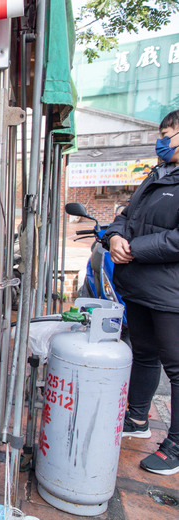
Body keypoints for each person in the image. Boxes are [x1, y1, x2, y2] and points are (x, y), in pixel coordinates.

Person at [103, 109, 179, 475]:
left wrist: (135, 248)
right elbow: (125, 216)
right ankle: (137, 419)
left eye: (169, 133)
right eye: (161, 132)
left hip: (171, 292)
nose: (162, 140)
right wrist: (115, 236)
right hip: (139, 286)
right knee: (144, 354)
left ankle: (176, 445)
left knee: (176, 368)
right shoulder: (157, 176)